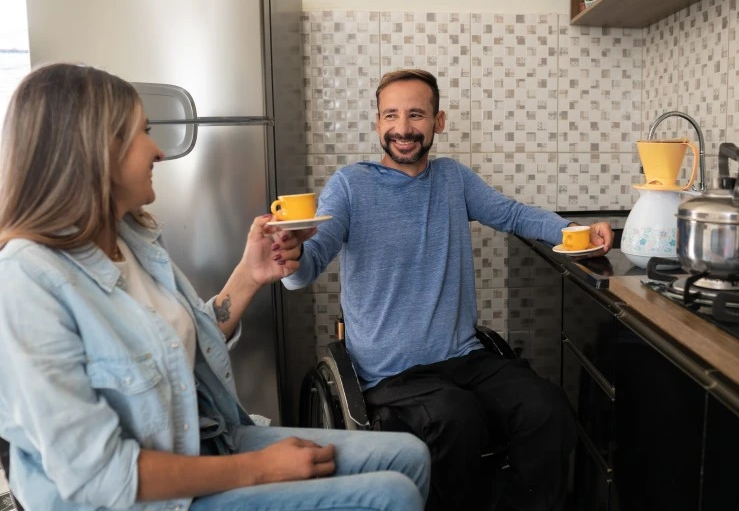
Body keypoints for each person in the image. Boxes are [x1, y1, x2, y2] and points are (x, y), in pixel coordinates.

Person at [0, 63, 431, 511]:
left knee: (409, 455)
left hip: (206, 441)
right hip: (144, 499)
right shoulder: (26, 280)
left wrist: (250, 273)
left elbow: (188, 341)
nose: (158, 151)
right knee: (392, 494)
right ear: (94, 149)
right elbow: (101, 476)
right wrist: (260, 468)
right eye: (143, 132)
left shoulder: (132, 239)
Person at [280, 68, 614, 510]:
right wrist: (290, 256)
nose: (402, 128)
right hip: (390, 374)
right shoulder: (350, 186)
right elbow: (305, 267)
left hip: (464, 358)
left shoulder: (453, 178)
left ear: (438, 122)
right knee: (457, 418)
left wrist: (576, 231)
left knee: (547, 408)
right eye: (391, 115)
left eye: (416, 115)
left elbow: (513, 214)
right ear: (378, 123)